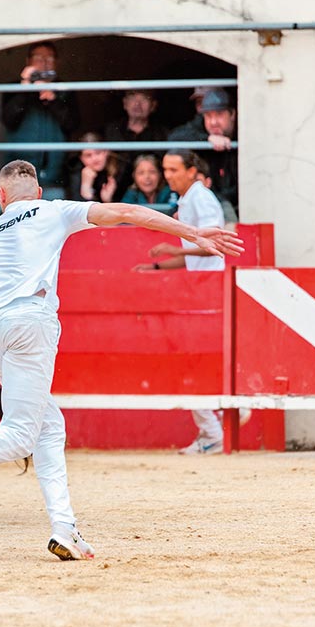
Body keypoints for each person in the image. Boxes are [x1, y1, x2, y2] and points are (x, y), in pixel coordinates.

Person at [0, 159, 242, 558]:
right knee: (21, 435)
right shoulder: (54, 209)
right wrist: (191, 232)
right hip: (29, 324)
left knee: (49, 427)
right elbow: (126, 212)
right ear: (37, 192)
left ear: (1, 197)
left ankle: (65, 528)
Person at [133, 149, 230, 455]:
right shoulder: (189, 200)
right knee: (196, 360)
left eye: (174, 169)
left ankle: (215, 427)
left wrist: (173, 252)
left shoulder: (200, 198)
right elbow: (196, 252)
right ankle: (223, 414)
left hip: (207, 291)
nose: (168, 175)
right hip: (201, 288)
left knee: (190, 360)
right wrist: (158, 267)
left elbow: (216, 244)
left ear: (192, 171)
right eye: (166, 169)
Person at [0, 41, 78, 197]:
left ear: (57, 62)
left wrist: (53, 100)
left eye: (49, 59)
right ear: (28, 61)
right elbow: (8, 120)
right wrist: (25, 88)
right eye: (39, 58)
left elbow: (73, 124)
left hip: (54, 176)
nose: (44, 63)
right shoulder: (14, 87)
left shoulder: (64, 89)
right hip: (19, 176)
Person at [168, 88, 238, 214]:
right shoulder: (200, 127)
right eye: (208, 116)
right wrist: (206, 139)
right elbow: (175, 137)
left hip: (231, 205)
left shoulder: (244, 129)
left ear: (232, 114)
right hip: (204, 203)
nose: (213, 122)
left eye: (219, 114)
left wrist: (216, 200)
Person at [103, 89, 169, 194]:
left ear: (153, 105)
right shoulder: (111, 131)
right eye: (133, 98)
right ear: (125, 103)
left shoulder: (163, 133)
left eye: (144, 99)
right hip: (118, 192)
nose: (137, 104)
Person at [68, 132, 119, 203]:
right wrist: (86, 187)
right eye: (88, 155)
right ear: (81, 158)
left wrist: (107, 200)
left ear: (106, 152)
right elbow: (77, 210)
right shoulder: (76, 172)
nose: (95, 159)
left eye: (98, 153)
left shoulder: (118, 170)